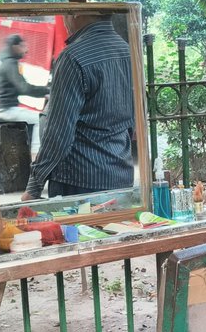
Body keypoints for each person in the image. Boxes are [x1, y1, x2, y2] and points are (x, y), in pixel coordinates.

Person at [21, 11, 134, 201]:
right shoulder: (128, 51)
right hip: (121, 175)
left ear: (77, 14)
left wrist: (34, 187)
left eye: (65, 13)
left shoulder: (72, 57)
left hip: (80, 181)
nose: (64, 20)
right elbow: (134, 118)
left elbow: (58, 132)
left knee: (78, 232)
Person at [0, 34, 49, 154]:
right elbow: (23, 88)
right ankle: (37, 154)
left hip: (7, 108)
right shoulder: (10, 64)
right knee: (39, 119)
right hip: (8, 110)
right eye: (23, 46)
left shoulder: (7, 62)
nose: (26, 50)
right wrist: (47, 91)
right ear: (15, 46)